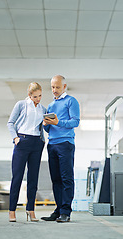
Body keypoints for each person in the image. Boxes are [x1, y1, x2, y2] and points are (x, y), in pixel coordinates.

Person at [41, 75, 80, 223]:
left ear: (64, 87)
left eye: (57, 87)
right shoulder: (50, 105)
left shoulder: (71, 101)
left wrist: (58, 122)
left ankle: (66, 211)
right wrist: (46, 125)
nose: (54, 90)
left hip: (65, 144)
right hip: (52, 144)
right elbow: (50, 130)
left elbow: (75, 122)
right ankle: (58, 210)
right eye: (52, 87)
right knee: (56, 179)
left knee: (66, 178)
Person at [7, 82, 46, 222]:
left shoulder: (43, 109)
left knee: (33, 179)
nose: (38, 99)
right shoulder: (21, 105)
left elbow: (44, 128)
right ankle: (12, 211)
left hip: (37, 143)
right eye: (35, 96)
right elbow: (10, 123)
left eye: (40, 96)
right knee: (17, 177)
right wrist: (15, 138)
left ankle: (31, 210)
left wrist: (46, 128)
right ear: (29, 95)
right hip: (22, 141)